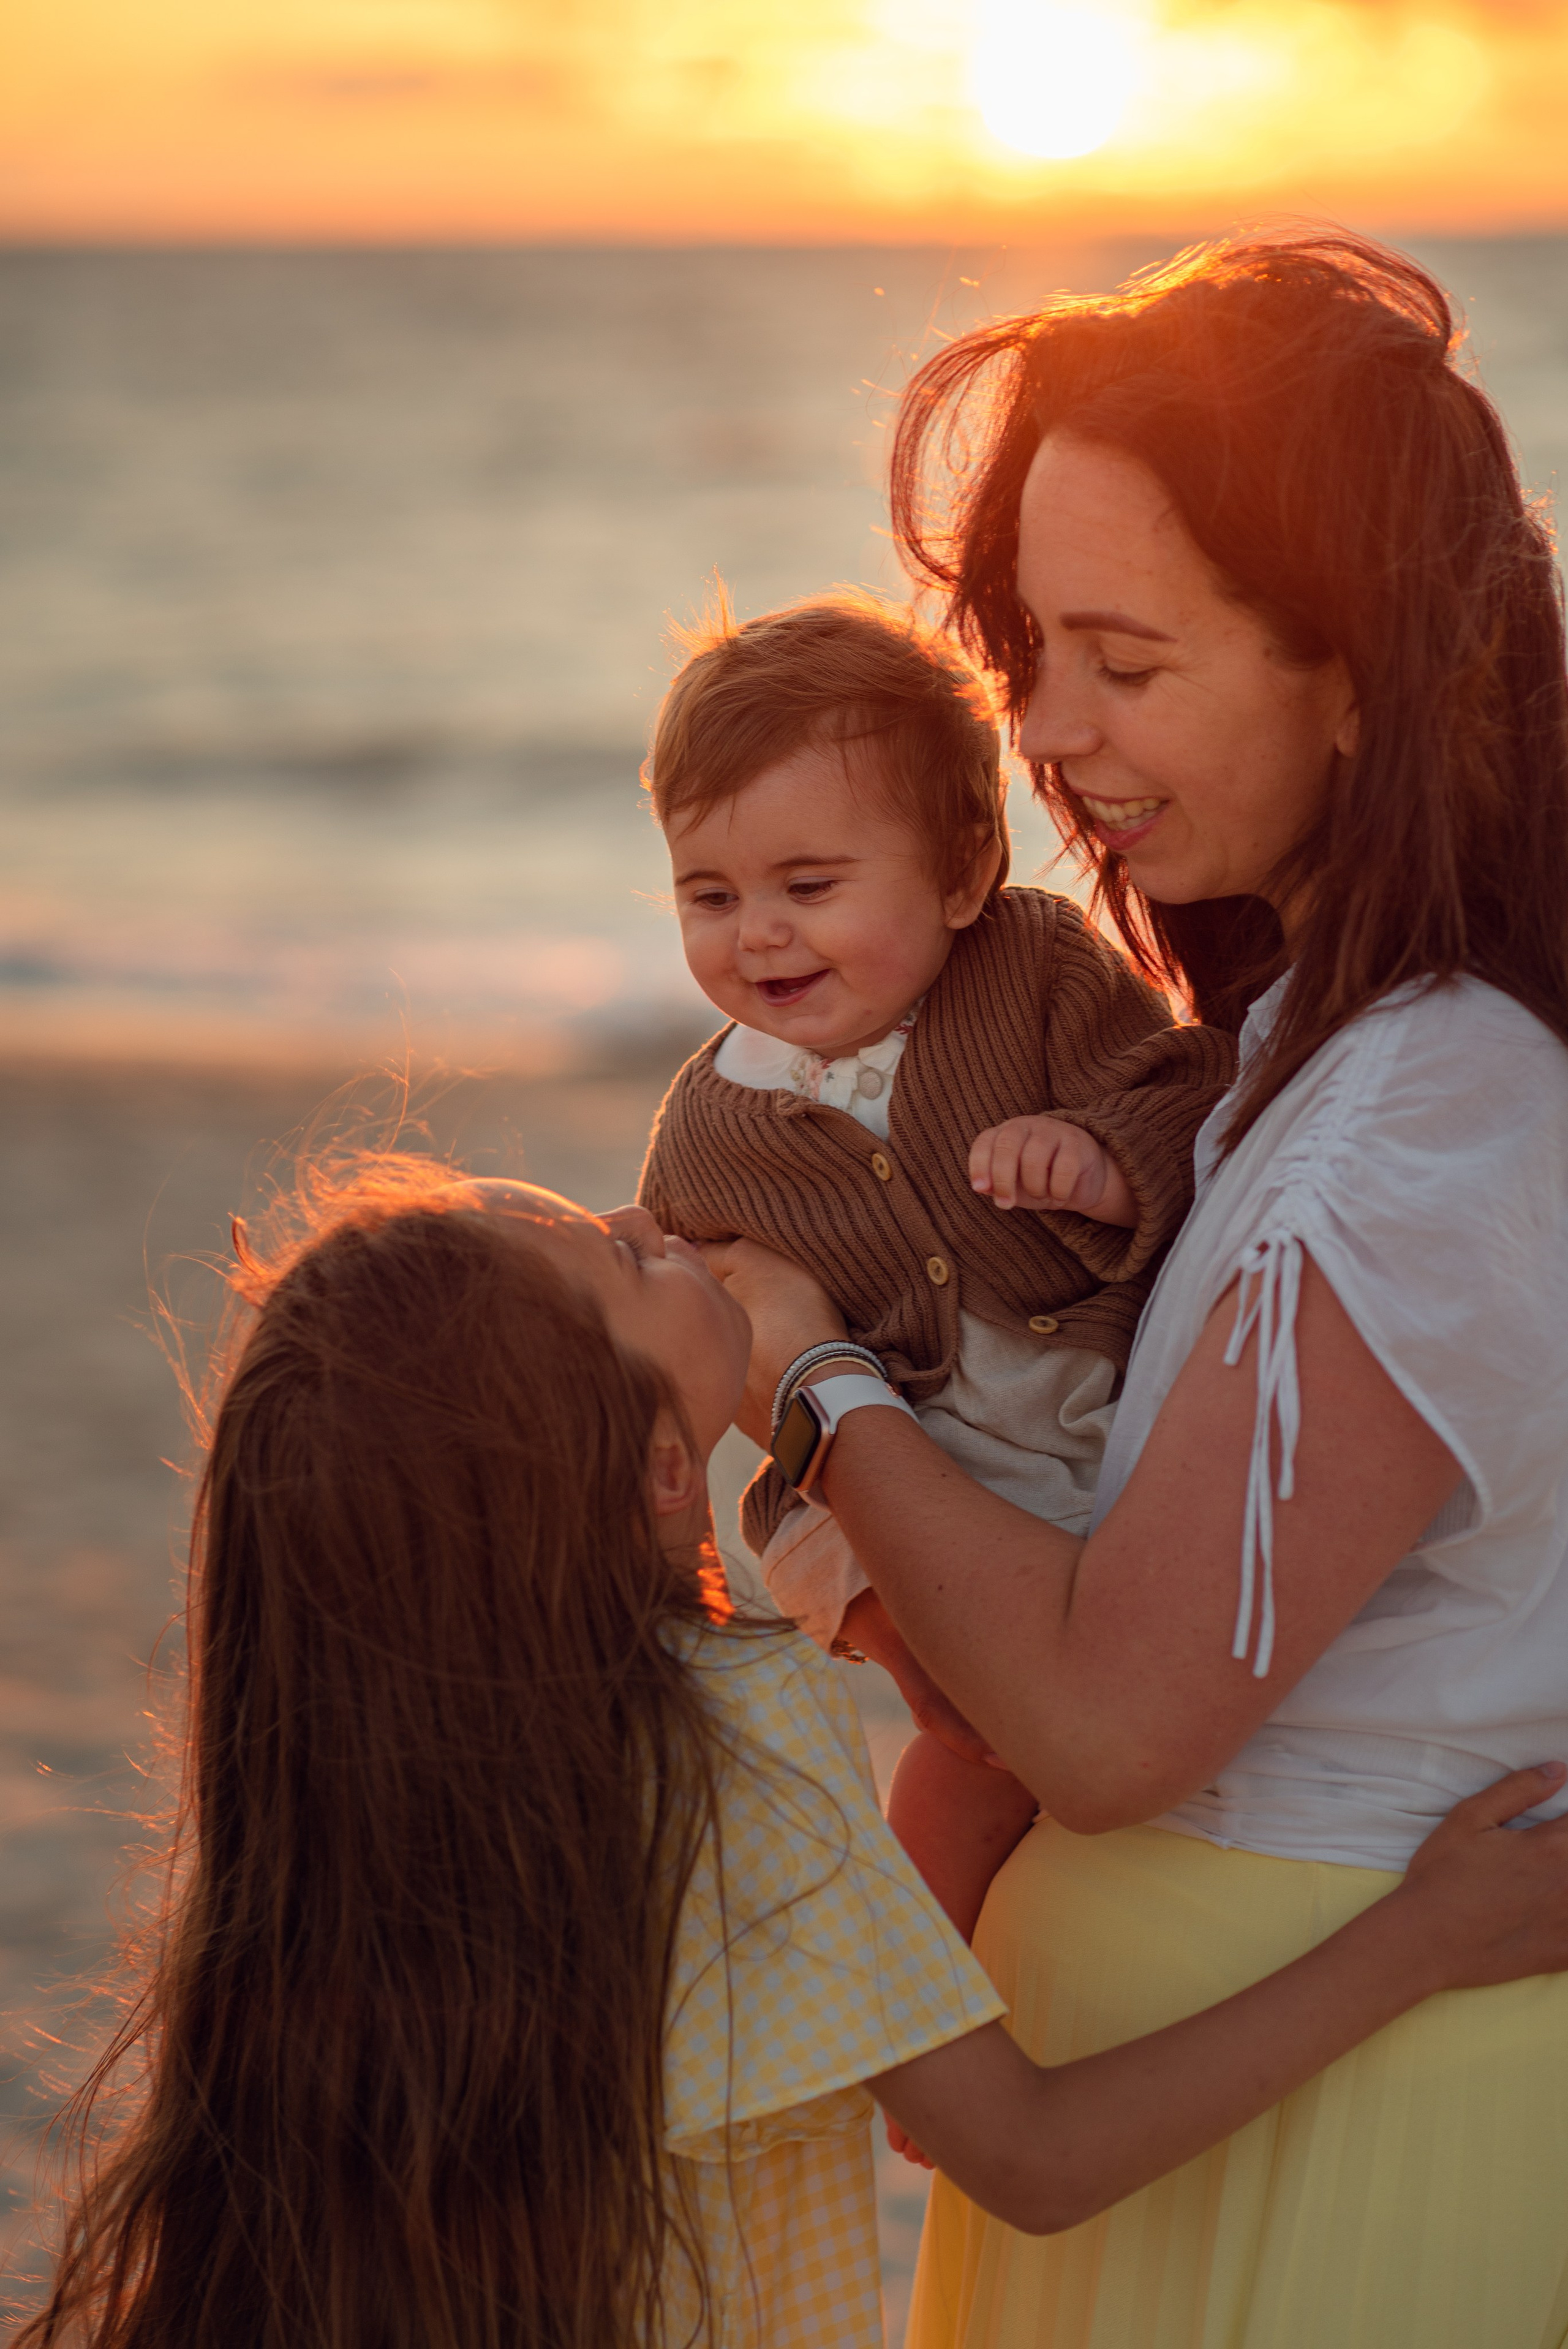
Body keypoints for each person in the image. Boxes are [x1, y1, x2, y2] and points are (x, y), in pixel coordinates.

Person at [701, 227, 1568, 2348]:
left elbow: (1102, 1724)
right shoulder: (1296, 1052)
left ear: (1356, 667)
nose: (1050, 733)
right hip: (1216, 2128)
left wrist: (797, 1363)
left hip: (1344, 2155)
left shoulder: (1425, 1122)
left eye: (1127, 660)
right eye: (1029, 648)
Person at [22, 1168, 1568, 2349]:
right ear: (643, 1472)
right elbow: (1026, 2156)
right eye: (628, 1263)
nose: (658, 1225)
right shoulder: (724, 1744)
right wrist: (1418, 1940)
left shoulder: (354, 1818)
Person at [638, 591, 1232, 1931]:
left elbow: (1186, 1086)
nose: (758, 935)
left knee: (1167, 1683)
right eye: (708, 896)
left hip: (1093, 1398)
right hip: (889, 1475)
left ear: (962, 875)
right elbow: (700, 1338)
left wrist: (1099, 1156)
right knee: (958, 1766)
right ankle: (927, 2005)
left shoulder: (1030, 966)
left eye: (809, 887)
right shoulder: (705, 1129)